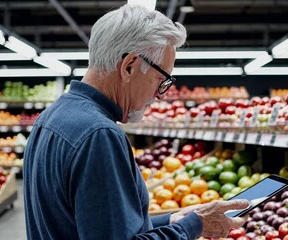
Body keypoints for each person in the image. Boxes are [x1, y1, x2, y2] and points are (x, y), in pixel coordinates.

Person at [23, 4, 249, 240]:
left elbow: (99, 225)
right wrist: (193, 227)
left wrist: (171, 220)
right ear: (129, 66)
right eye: (162, 79)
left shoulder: (51, 118)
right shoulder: (99, 134)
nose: (160, 95)